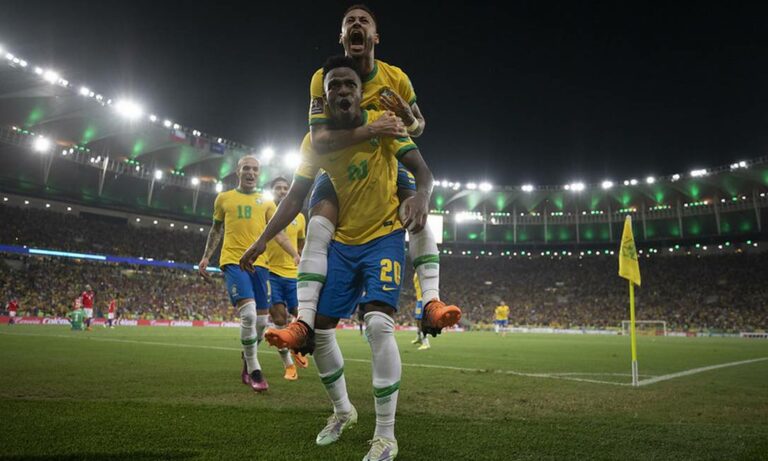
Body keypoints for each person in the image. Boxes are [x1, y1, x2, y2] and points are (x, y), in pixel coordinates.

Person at [240, 55, 440, 460]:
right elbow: (295, 198)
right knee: (322, 333)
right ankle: (342, 410)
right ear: (324, 97)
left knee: (380, 325)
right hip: (343, 244)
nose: (343, 91)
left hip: (382, 236)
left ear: (360, 90)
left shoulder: (383, 120)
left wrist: (420, 196)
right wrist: (263, 240)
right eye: (335, 87)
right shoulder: (314, 141)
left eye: (350, 84)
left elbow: (422, 167)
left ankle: (386, 436)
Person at [266, 3, 460, 354]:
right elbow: (320, 140)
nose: (356, 25)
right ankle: (305, 322)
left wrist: (407, 119)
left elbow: (418, 127)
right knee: (318, 223)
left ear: (374, 36)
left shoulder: (396, 77)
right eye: (349, 22)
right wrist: (372, 127)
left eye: (363, 21)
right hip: (336, 165)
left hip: (384, 158)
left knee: (414, 209)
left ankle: (430, 301)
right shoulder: (320, 79)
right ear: (342, 37)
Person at [198, 156, 300, 393]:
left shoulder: (266, 202)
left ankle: (246, 357)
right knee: (249, 315)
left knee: (263, 321)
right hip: (233, 261)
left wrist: (296, 255)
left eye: (255, 169)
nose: (251, 172)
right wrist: (206, 257)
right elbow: (216, 230)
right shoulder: (224, 198)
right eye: (246, 168)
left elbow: (279, 234)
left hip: (261, 265)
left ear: (259, 173)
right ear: (238, 171)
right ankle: (255, 369)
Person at [264, 176, 308, 380]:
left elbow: (302, 243)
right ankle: (289, 366)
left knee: (302, 316)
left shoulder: (300, 217)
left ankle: (296, 348)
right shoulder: (265, 212)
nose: (282, 191)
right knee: (280, 319)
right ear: (272, 191)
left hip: (293, 275)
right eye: (278, 188)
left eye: (285, 188)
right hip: (270, 273)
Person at [411, 274, 430, 350]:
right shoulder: (416, 273)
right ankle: (419, 337)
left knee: (422, 321)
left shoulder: (422, 273)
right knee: (418, 320)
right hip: (419, 299)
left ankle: (426, 342)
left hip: (423, 299)